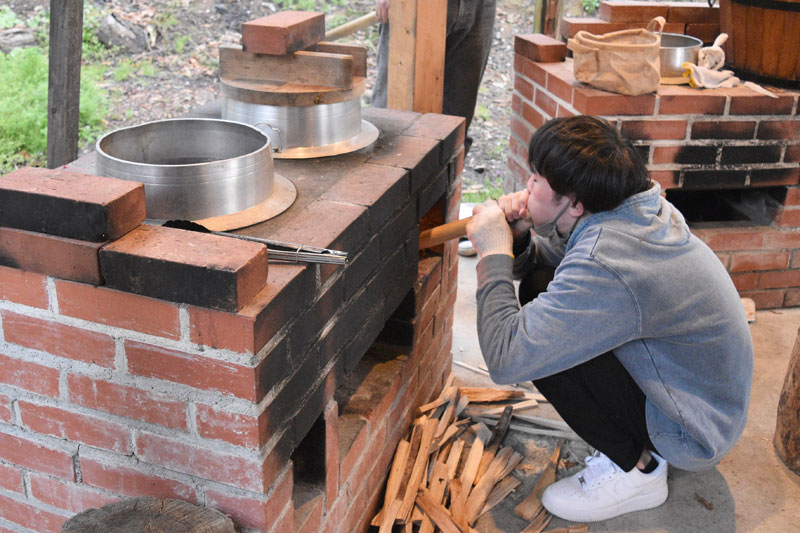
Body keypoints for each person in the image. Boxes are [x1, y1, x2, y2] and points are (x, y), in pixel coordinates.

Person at [465, 115, 753, 522]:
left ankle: (640, 472)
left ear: (575, 203)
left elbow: (506, 358)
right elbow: (561, 265)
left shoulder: (612, 259)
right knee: (541, 284)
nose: (527, 186)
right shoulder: (634, 209)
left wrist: (493, 256)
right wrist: (521, 236)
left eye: (536, 179)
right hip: (704, 400)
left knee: (542, 349)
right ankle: (637, 450)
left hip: (691, 431)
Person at [372, 0, 496, 155]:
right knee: (391, 129)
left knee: (455, 130)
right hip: (413, 5)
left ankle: (445, 178)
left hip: (479, 5)